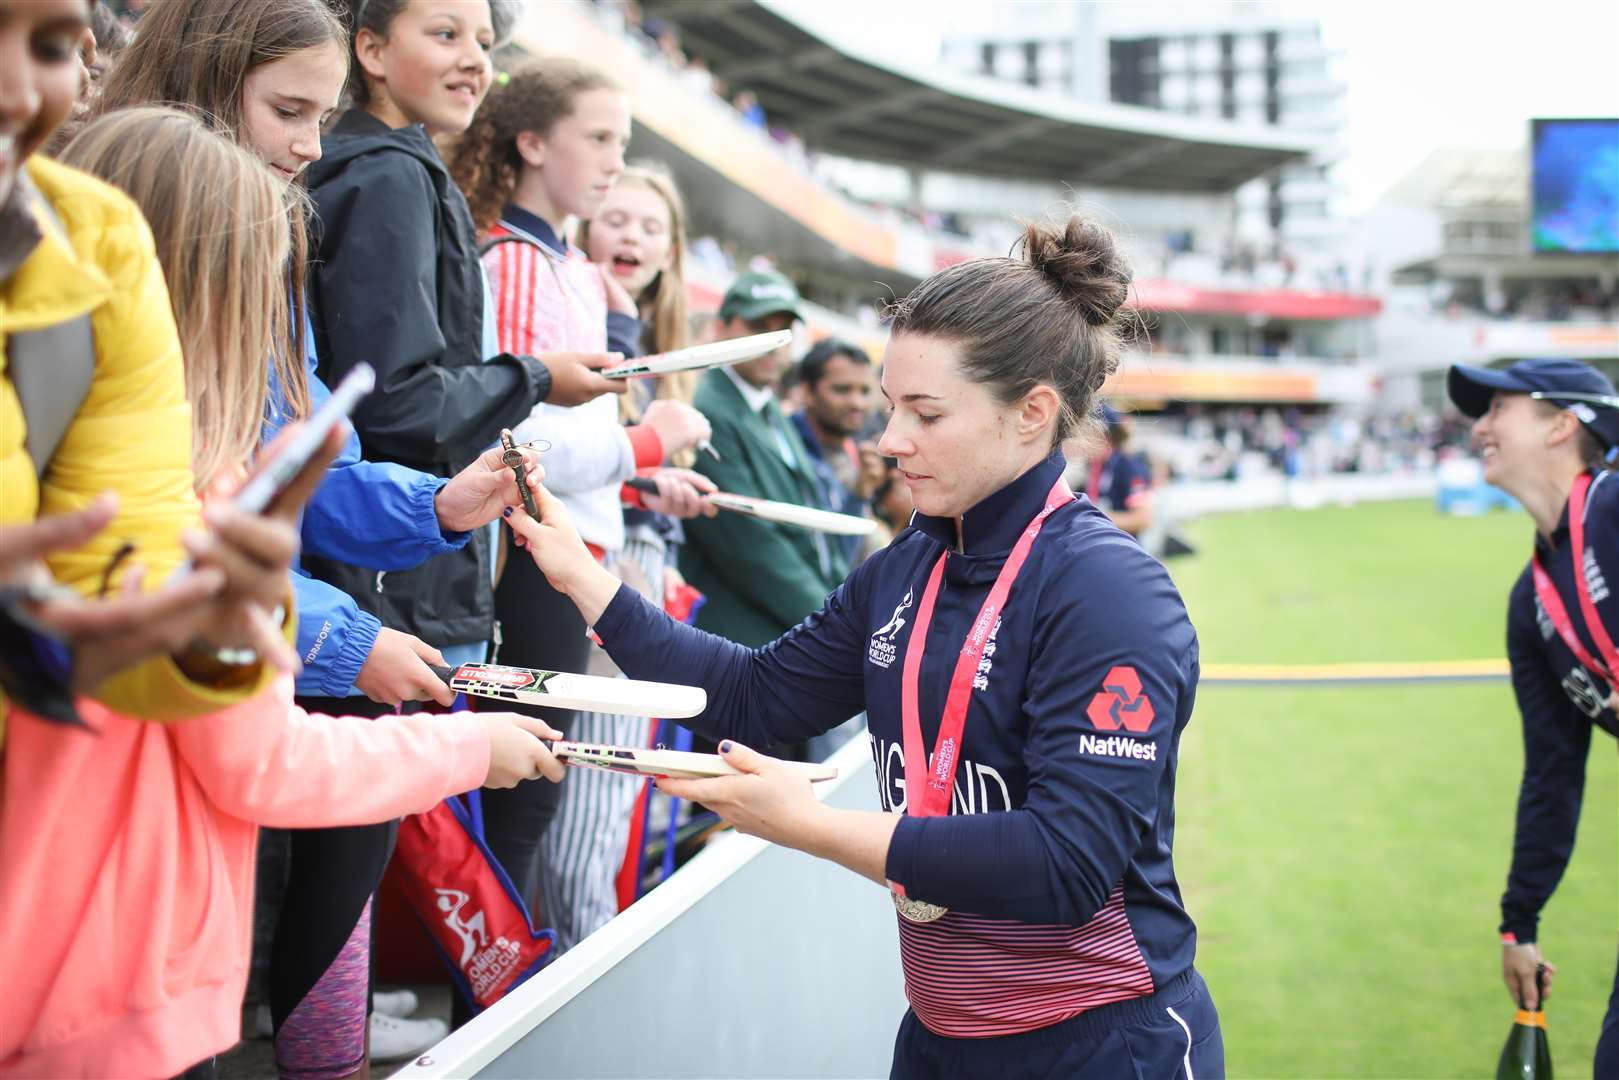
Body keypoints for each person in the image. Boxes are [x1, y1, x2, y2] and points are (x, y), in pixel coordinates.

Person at [505, 214, 1224, 1078]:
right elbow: (758, 699)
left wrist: (809, 826)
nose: (888, 442)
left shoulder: (1107, 593)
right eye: (889, 407)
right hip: (939, 1037)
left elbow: (1066, 865)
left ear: (1032, 413)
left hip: (1101, 1045)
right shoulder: (908, 565)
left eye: (924, 413)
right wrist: (583, 577)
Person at [5, 103, 569, 1080]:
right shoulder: (148, 504)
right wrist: (466, 747)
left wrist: (436, 507)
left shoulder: (67, 461)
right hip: (107, 989)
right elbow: (260, 762)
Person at [450, 60, 715, 955]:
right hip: (531, 554)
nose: (613, 163)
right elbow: (522, 448)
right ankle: (493, 1014)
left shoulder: (564, 268)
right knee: (525, 807)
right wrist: (649, 444)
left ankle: (505, 1004)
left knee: (541, 798)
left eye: (621, 144)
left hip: (568, 553)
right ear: (531, 144)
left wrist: (637, 471)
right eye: (598, 140)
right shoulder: (521, 264)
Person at [1, 0, 303, 743]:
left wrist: (217, 632)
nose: (17, 91)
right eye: (291, 108)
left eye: (50, 46)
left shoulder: (97, 242)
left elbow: (115, 588)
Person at [1446, 358, 1619, 1079]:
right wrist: (1519, 920)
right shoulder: (1532, 602)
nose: (1478, 425)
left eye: (1498, 408)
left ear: (1560, 423)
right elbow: (1552, 772)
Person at [680, 270, 849, 651]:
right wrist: (830, 623)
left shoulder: (765, 404)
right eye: (759, 326)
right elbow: (749, 546)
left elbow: (807, 520)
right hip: (739, 636)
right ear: (721, 326)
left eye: (784, 330)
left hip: (780, 627)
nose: (774, 343)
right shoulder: (708, 408)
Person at [788, 337, 884, 565]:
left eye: (864, 391)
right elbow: (826, 557)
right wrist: (858, 495)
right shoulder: (787, 451)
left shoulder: (851, 449)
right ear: (807, 391)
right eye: (842, 390)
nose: (857, 403)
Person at [1078, 404, 1154, 539]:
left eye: (1088, 432)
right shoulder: (1093, 466)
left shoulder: (1128, 466)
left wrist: (1093, 518)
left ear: (1104, 435)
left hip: (1122, 549)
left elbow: (1143, 519)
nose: (1082, 438)